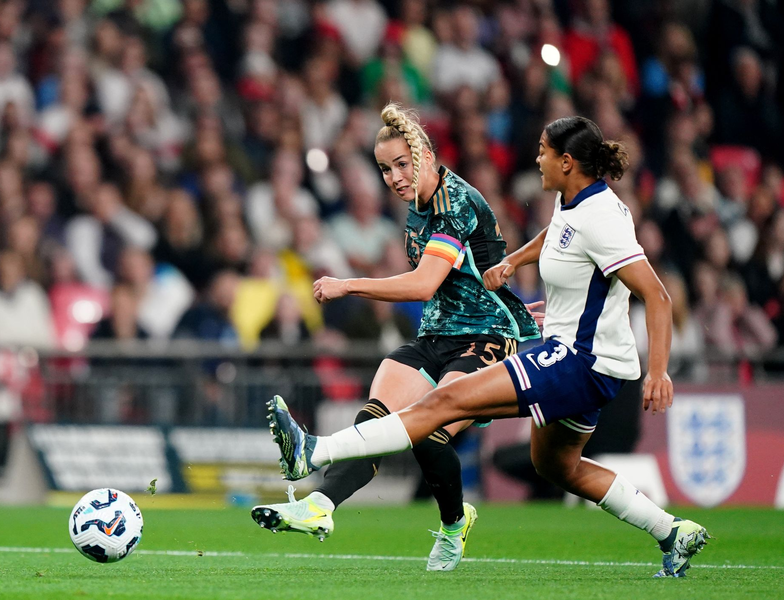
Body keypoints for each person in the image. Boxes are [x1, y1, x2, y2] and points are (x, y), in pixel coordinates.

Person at [266, 116, 711, 578]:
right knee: (557, 466)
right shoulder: (574, 201)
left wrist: (658, 371)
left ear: (566, 160)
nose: (534, 157)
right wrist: (514, 262)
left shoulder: (598, 216)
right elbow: (559, 235)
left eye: (541, 150)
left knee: (441, 404)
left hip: (577, 360)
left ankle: (313, 450)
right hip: (564, 354)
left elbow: (657, 295)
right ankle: (672, 532)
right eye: (385, 168)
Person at [251, 103, 541, 571]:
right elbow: (468, 276)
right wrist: (515, 304)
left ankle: (453, 525)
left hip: (483, 340)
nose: (394, 177)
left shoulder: (453, 203)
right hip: (436, 333)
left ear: (424, 155)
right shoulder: (417, 210)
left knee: (428, 433)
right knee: (376, 423)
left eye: (401, 164)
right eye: (384, 169)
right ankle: (319, 507)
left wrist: (348, 283)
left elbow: (424, 283)